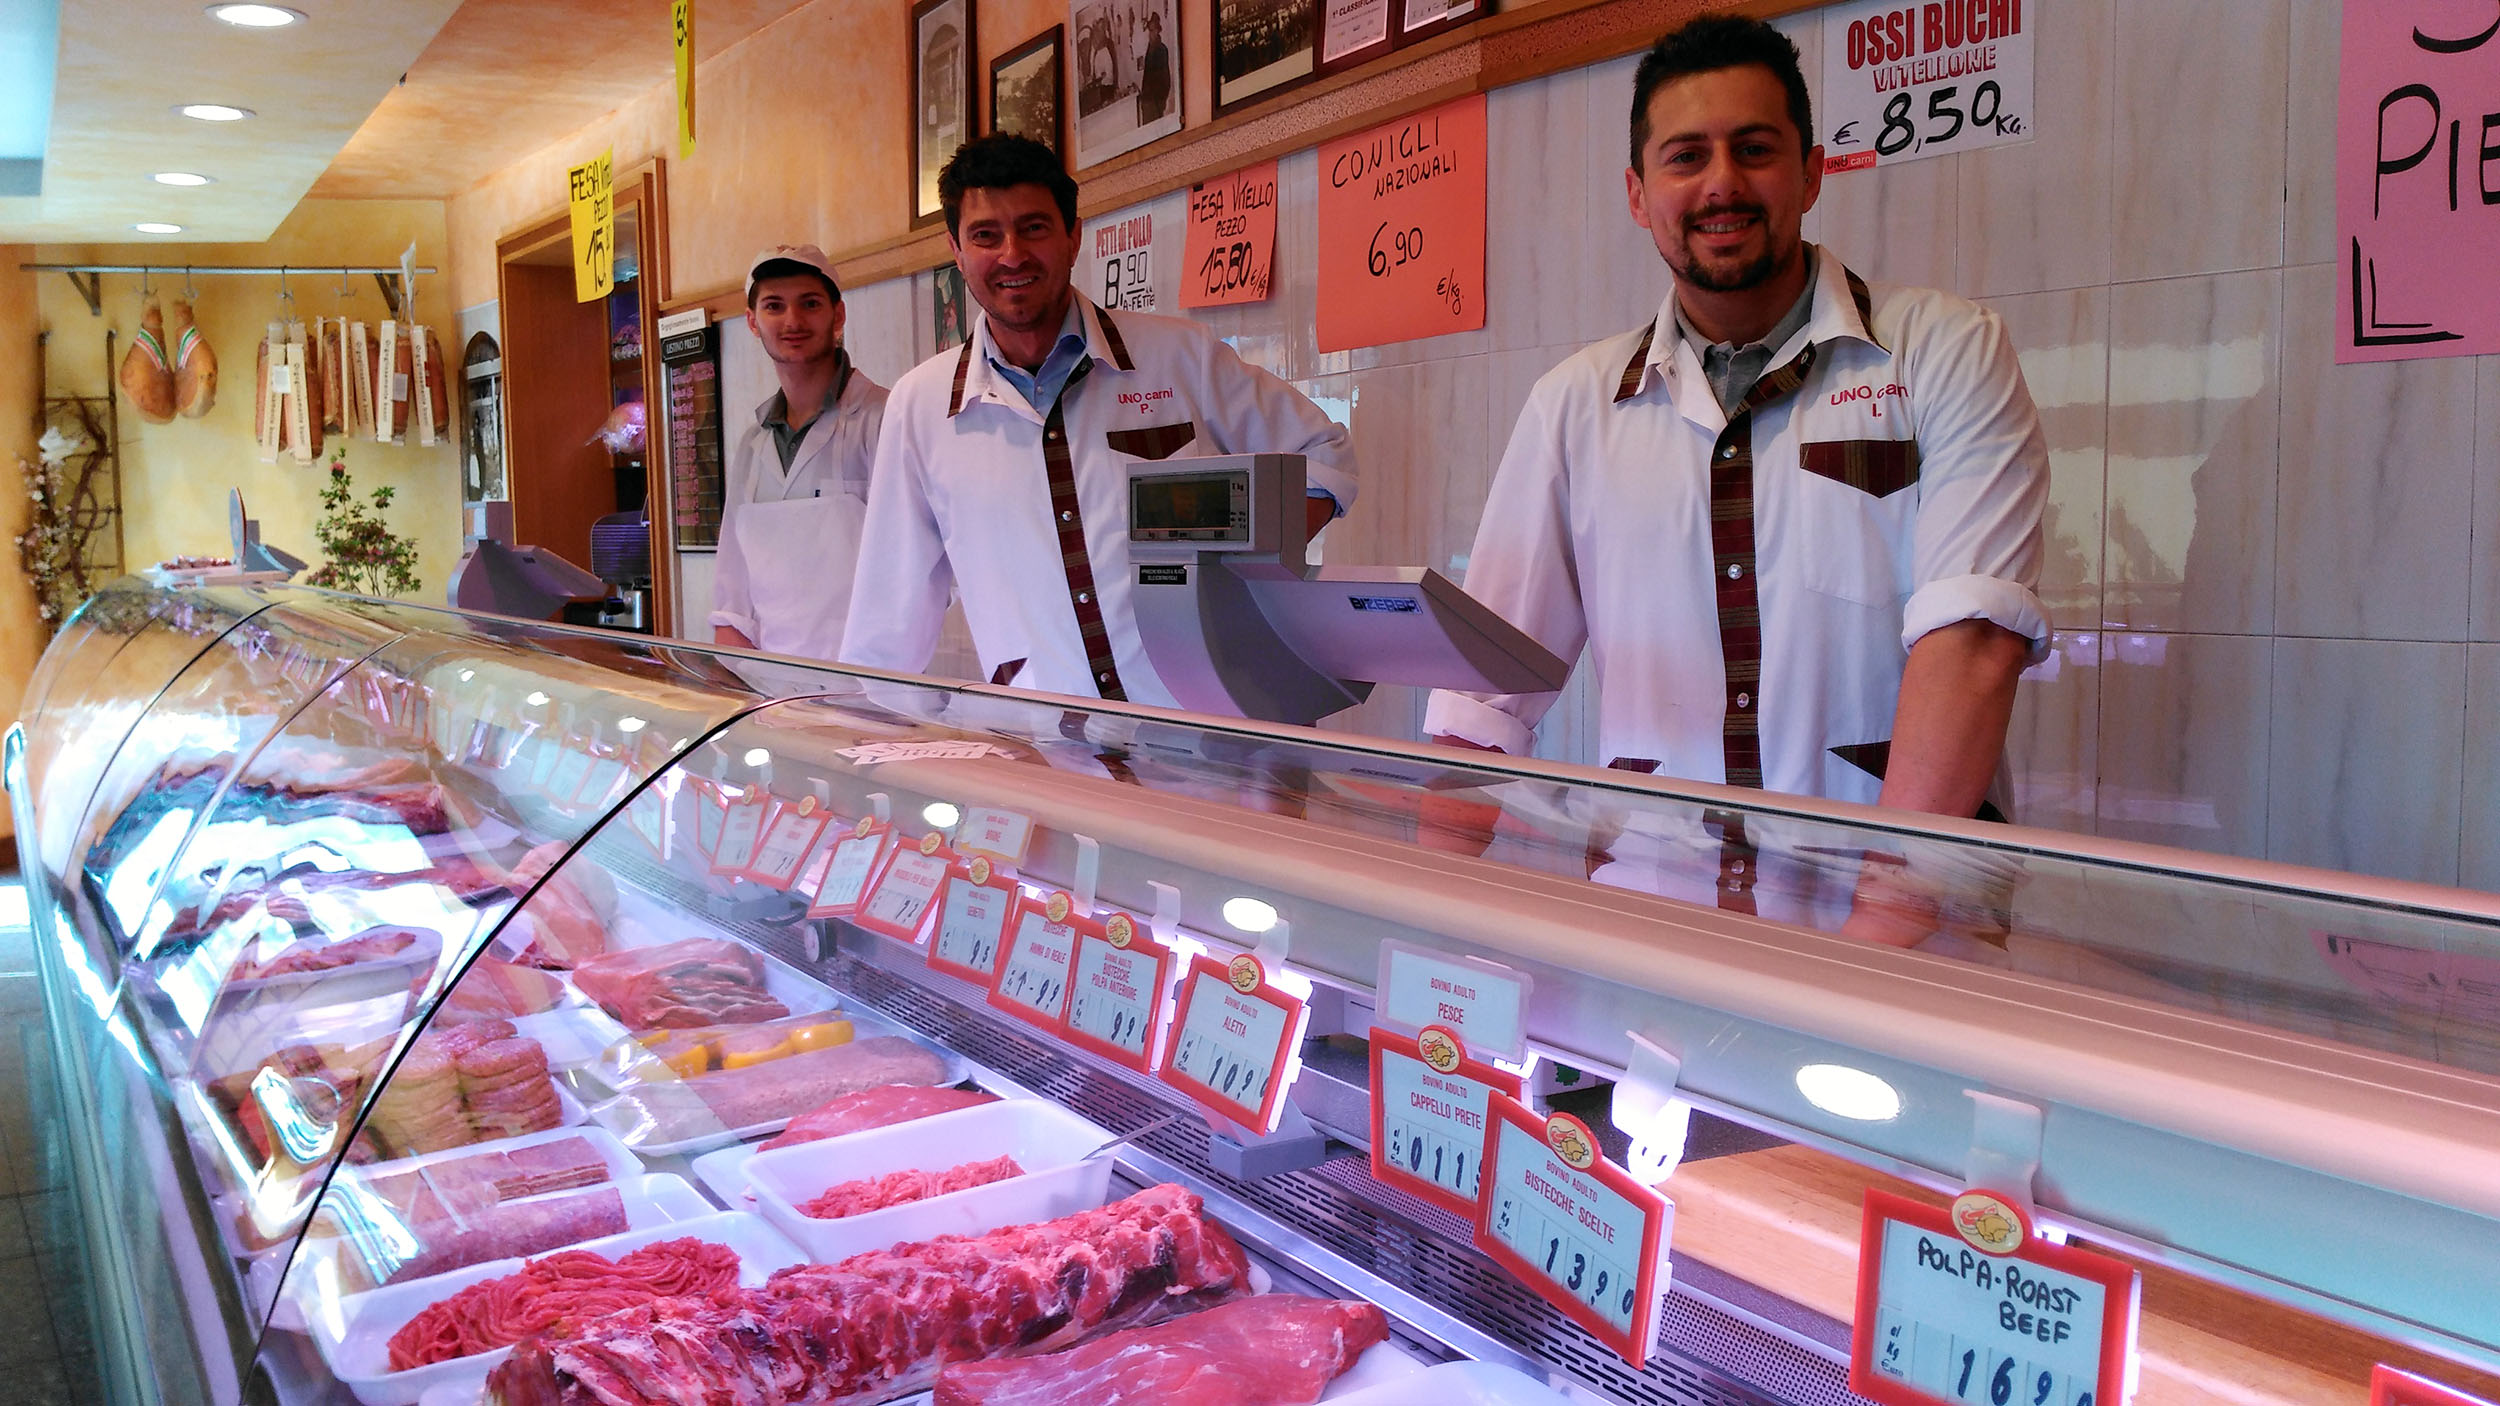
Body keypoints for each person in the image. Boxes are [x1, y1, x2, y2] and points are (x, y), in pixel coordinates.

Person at [1424, 15, 2047, 825]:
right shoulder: (1573, 405)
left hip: (1900, 920)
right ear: (1638, 194)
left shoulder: (1944, 350)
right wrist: (1412, 929)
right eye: (1687, 157)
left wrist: (1875, 932)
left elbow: (1975, 646)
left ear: (1811, 174)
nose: (1722, 184)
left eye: (1754, 150)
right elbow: (1483, 703)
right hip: (1662, 922)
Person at [841, 133, 1355, 704]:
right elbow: (885, 629)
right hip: (1048, 752)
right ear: (957, 252)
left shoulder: (1179, 357)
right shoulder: (921, 407)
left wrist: (1243, 560)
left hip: (1211, 732)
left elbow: (1323, 451)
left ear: (1072, 235)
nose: (1012, 254)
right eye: (986, 235)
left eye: (1034, 227)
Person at [709, 245, 890, 659]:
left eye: (809, 303)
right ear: (753, 322)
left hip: (874, 694)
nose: (792, 321)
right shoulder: (752, 445)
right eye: (774, 306)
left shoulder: (886, 420)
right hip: (776, 700)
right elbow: (731, 604)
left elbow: (924, 579)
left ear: (837, 315)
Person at [1137, 10, 1172, 125]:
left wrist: (1160, 101)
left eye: (1152, 31)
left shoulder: (1161, 49)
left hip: (1156, 102)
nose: (1150, 34)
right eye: (1149, 31)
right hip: (1147, 101)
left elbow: (1165, 78)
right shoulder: (1149, 49)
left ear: (1157, 31)